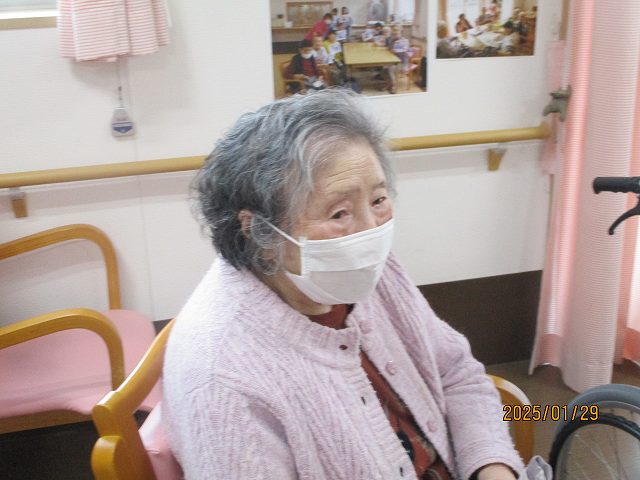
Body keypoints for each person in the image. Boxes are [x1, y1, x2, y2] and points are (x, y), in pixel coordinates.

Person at [163, 89, 525, 480]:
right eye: (339, 213)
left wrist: (490, 465)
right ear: (259, 233)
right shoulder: (224, 380)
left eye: (378, 200)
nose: (370, 232)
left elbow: (454, 372)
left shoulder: (364, 270)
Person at [385, 24, 411, 94]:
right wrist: (391, 49)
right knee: (383, 68)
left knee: (390, 68)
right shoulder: (392, 40)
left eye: (397, 30)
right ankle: (389, 83)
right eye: (393, 30)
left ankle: (394, 86)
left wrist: (403, 51)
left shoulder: (404, 41)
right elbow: (389, 50)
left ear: (401, 31)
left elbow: (407, 54)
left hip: (402, 63)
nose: (395, 32)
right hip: (393, 61)